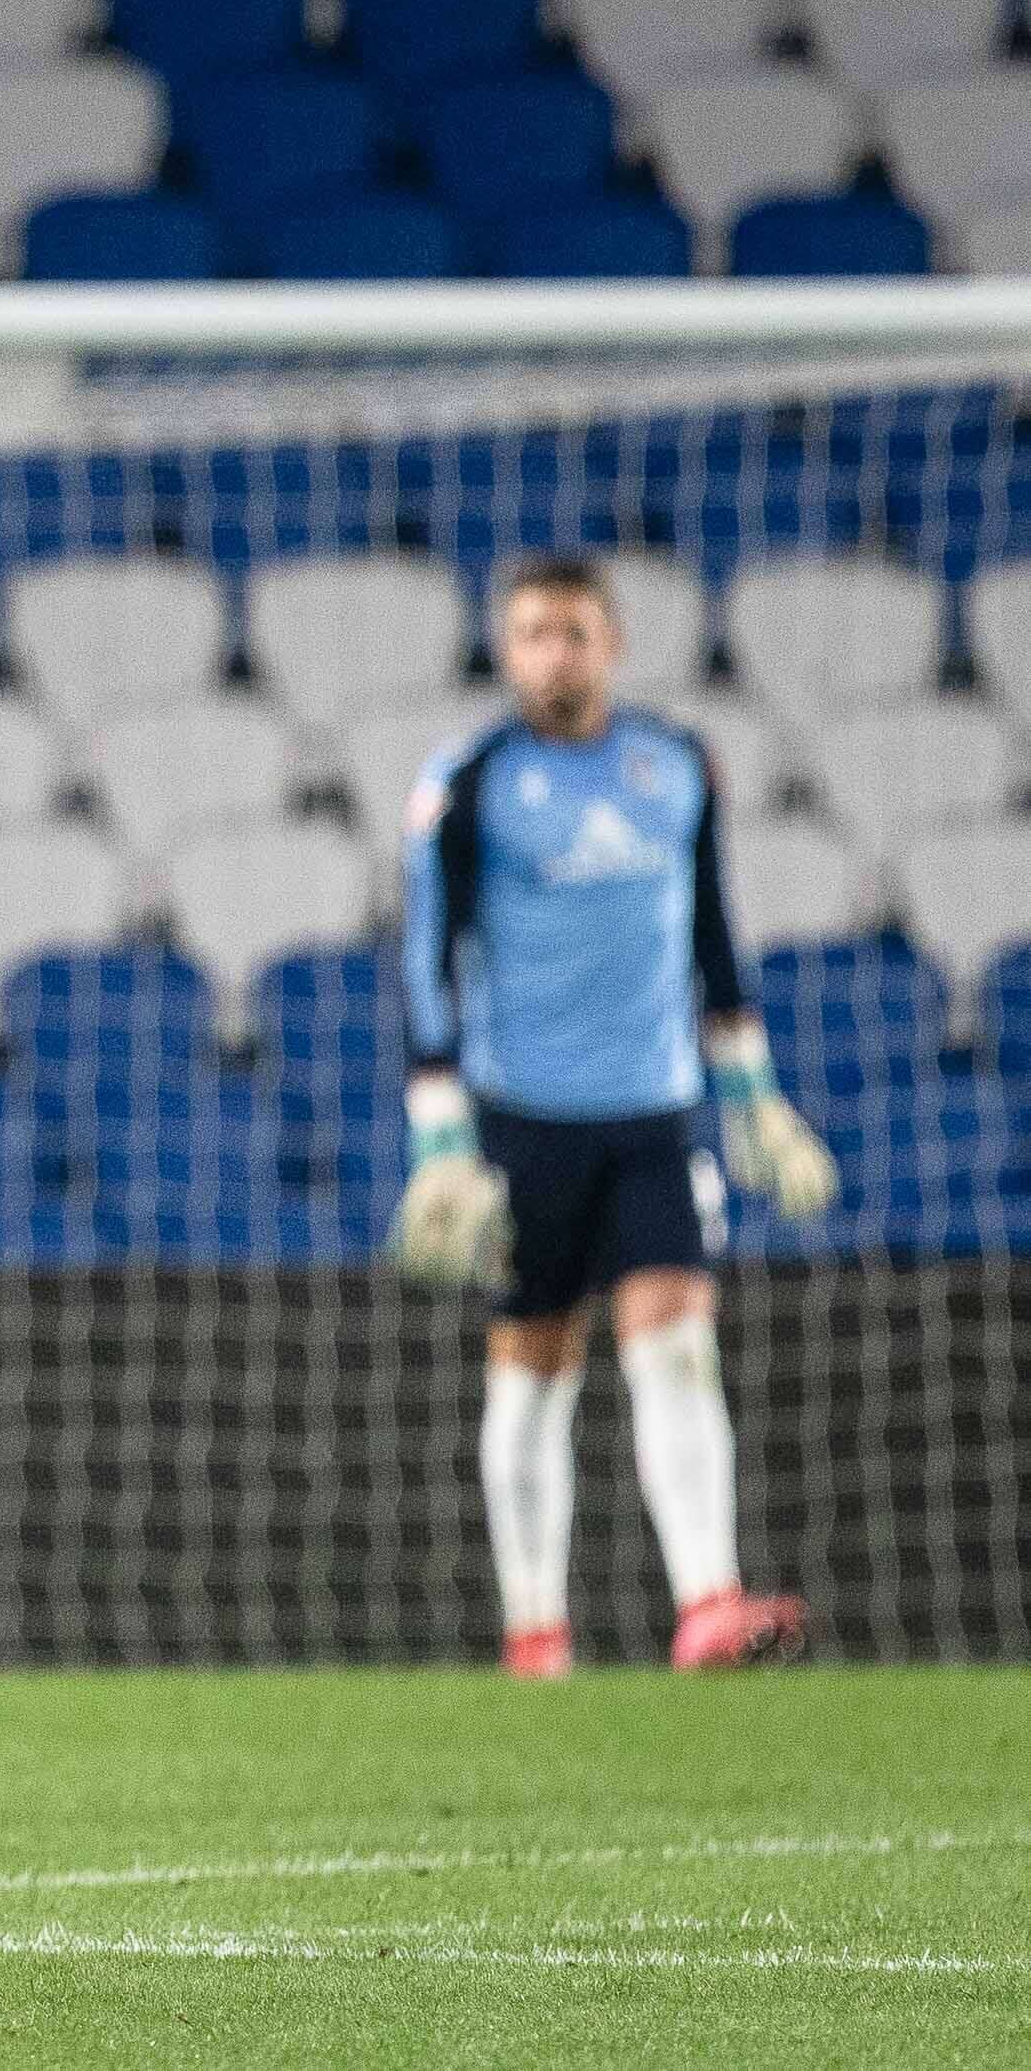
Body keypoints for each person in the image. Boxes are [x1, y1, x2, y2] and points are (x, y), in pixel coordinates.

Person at [393, 555, 835, 1678]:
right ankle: (535, 1626)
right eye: (533, 631)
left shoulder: (676, 764)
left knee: (675, 1345)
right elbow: (424, 958)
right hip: (519, 1119)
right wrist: (439, 1137)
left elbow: (713, 938)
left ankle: (706, 1602)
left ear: (613, 641)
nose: (554, 651)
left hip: (652, 1113)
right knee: (532, 1371)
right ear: (504, 648)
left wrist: (754, 1099)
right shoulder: (467, 780)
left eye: (573, 630)